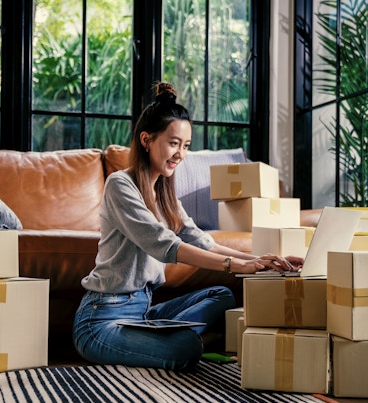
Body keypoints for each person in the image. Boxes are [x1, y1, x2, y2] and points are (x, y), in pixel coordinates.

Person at [72, 82, 304, 371]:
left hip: (144, 312)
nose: (180, 153)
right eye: (173, 143)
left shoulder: (165, 193)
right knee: (187, 348)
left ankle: (163, 338)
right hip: (103, 321)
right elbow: (165, 245)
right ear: (146, 140)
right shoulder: (120, 184)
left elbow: (200, 240)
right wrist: (235, 264)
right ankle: (181, 341)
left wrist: (260, 261)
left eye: (186, 146)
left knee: (221, 295)